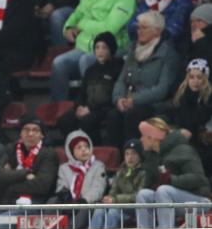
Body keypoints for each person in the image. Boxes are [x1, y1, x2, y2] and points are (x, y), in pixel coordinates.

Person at [51, 0, 136, 101]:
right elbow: (77, 13)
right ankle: (59, 108)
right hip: (84, 46)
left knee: (86, 61)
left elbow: (109, 29)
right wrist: (68, 27)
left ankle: (92, 104)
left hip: (112, 49)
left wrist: (83, 23)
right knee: (59, 63)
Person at [105, 10, 180, 148]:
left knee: (133, 115)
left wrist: (134, 100)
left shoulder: (168, 54)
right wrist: (118, 99)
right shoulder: (133, 49)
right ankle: (114, 158)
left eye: (144, 28)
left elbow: (161, 90)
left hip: (153, 105)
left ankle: (133, 157)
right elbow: (122, 79)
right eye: (138, 27)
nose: (139, 31)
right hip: (128, 101)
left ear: (157, 31)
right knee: (113, 115)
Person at [136, 117, 212, 228]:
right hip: (168, 199)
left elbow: (199, 178)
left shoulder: (183, 149)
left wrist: (171, 180)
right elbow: (149, 185)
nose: (141, 139)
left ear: (153, 137)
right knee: (143, 194)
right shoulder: (152, 156)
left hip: (198, 200)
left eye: (143, 136)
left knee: (164, 190)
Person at [60, 32, 123, 144]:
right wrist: (79, 106)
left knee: (88, 120)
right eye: (97, 48)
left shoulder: (118, 68)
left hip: (105, 107)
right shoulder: (91, 70)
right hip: (88, 107)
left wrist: (90, 109)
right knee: (66, 119)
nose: (100, 51)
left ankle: (95, 149)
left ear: (111, 49)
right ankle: (74, 148)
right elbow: (82, 93)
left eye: (104, 48)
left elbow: (112, 95)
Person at [0, 115, 59, 205]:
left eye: (35, 130)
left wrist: (11, 186)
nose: (30, 134)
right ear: (20, 133)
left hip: (36, 203)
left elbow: (42, 185)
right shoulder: (10, 149)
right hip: (7, 202)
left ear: (42, 135)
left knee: (1, 219)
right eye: (26, 129)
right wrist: (25, 173)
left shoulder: (48, 154)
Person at [51, 130, 107, 228]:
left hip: (87, 203)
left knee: (83, 209)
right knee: (52, 202)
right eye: (79, 147)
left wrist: (83, 201)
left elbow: (98, 189)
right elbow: (61, 185)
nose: (84, 150)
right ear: (71, 151)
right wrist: (66, 197)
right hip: (69, 202)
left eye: (86, 146)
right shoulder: (64, 168)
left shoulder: (98, 166)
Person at [90, 139, 147, 228]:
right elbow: (113, 191)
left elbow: (138, 196)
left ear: (140, 155)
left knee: (113, 212)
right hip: (119, 205)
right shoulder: (121, 171)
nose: (130, 157)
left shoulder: (144, 172)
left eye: (134, 153)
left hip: (135, 208)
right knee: (99, 209)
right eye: (127, 154)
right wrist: (109, 198)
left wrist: (115, 199)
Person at [168, 59, 212, 175]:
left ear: (205, 79)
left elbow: (199, 120)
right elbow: (176, 118)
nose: (195, 81)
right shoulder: (180, 96)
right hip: (183, 137)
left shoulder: (208, 99)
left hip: (202, 140)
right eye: (191, 77)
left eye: (199, 77)